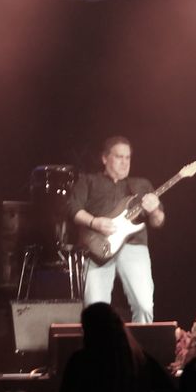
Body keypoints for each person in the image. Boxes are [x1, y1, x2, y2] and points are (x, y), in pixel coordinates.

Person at [69, 135, 164, 324]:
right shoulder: (88, 181)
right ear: (105, 158)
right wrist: (94, 222)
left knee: (144, 305)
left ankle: (140, 343)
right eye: (119, 157)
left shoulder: (141, 185)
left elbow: (158, 221)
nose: (124, 162)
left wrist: (154, 210)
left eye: (128, 157)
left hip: (134, 246)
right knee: (96, 309)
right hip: (98, 247)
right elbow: (73, 209)